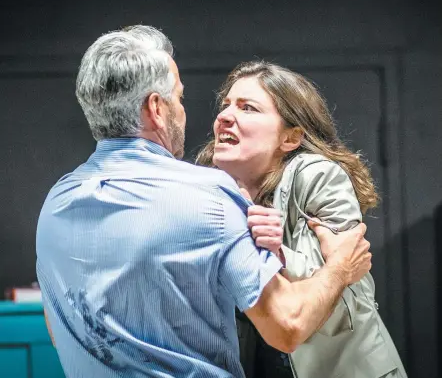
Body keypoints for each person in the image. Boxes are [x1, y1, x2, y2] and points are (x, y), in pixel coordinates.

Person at [36, 25, 372, 378]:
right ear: (156, 108)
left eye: (248, 108)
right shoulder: (208, 195)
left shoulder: (56, 203)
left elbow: (60, 331)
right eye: (178, 99)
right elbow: (287, 324)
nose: (216, 116)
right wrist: (339, 268)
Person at [196, 60, 407, 378]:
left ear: (290, 138)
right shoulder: (207, 189)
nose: (225, 117)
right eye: (225, 106)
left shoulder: (317, 175)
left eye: (248, 108)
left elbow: (343, 262)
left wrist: (275, 251)